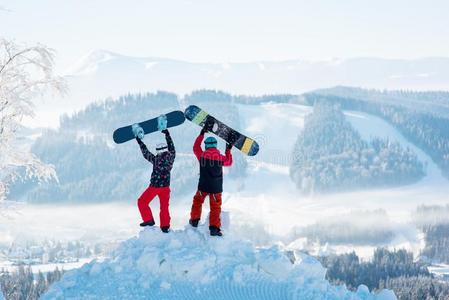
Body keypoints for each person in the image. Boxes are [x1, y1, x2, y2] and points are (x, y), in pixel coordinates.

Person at [189, 126, 233, 236]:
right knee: (215, 207)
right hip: (216, 187)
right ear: (215, 146)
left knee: (197, 201)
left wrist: (201, 134)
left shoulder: (202, 155)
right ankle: (214, 228)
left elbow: (195, 147)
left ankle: (194, 220)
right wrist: (228, 149)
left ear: (206, 146)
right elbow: (229, 162)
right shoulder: (220, 157)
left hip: (203, 185)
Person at [136, 129, 175, 233]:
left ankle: (148, 220)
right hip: (166, 187)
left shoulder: (156, 160)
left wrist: (140, 142)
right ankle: (165, 226)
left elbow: (146, 153)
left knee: (142, 202)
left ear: (158, 151)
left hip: (155, 186)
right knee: (164, 207)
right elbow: (172, 148)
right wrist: (167, 134)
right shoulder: (171, 157)